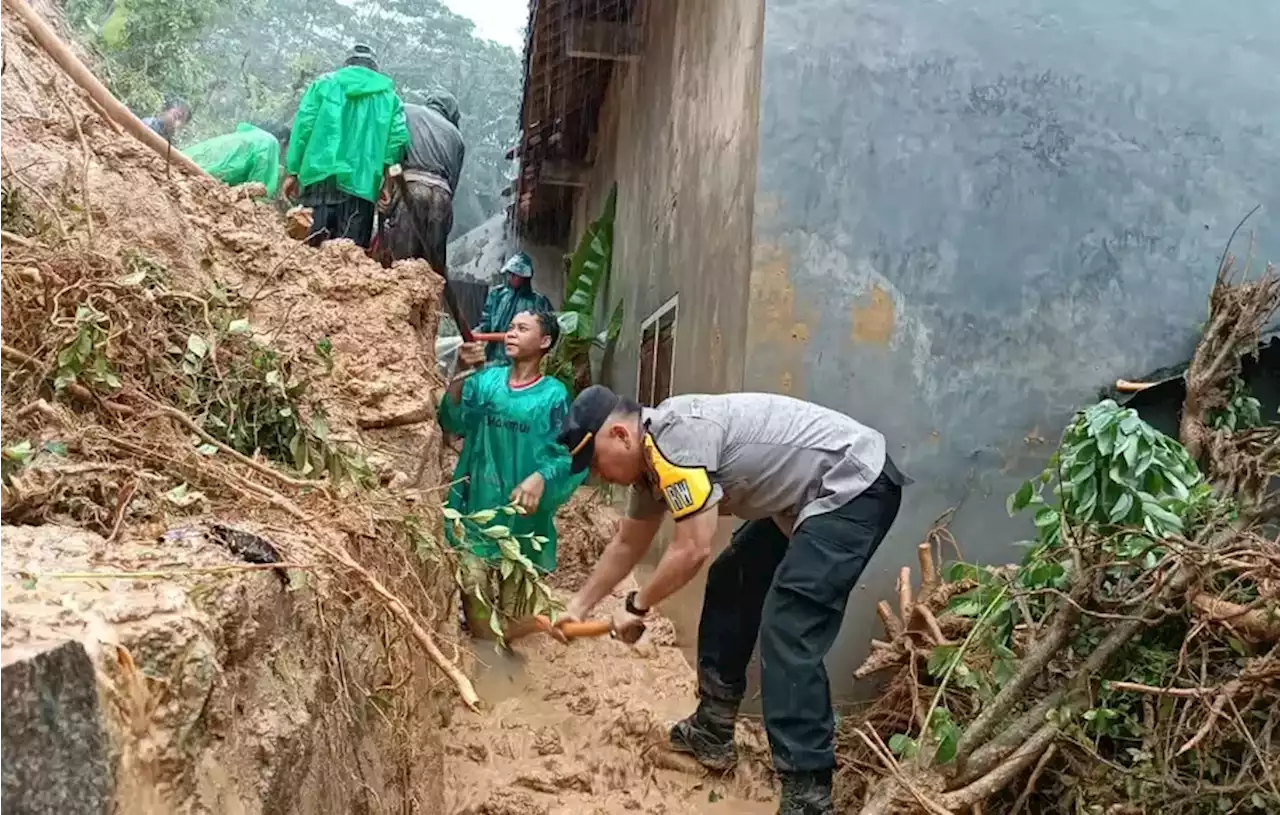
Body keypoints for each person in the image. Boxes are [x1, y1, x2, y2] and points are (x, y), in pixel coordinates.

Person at [554, 386, 907, 815]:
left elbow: (691, 548)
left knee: (789, 624)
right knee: (732, 579)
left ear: (621, 437)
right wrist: (578, 608)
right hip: (805, 499)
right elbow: (628, 542)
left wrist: (636, 606)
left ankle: (808, 791)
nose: (597, 476)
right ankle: (713, 729)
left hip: (853, 484)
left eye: (594, 464)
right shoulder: (650, 464)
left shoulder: (674, 443)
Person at [439, 310, 584, 626]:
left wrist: (541, 477)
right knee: (475, 597)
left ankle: (505, 661)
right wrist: (461, 372)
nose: (511, 334)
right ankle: (482, 654)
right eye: (510, 328)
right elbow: (451, 419)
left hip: (523, 524)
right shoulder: (486, 380)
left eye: (522, 328)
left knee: (512, 621)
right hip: (476, 511)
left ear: (544, 341)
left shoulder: (554, 395)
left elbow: (568, 456)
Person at [283, 44, 409, 248]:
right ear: (374, 68)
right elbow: (396, 143)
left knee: (306, 253)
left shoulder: (323, 85)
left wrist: (293, 171)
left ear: (347, 64)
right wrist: (386, 184)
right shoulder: (390, 98)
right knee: (348, 261)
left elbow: (303, 128)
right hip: (362, 187)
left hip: (319, 179)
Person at [385, 92, 466, 274]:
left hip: (411, 188)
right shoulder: (457, 136)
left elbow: (393, 147)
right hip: (442, 197)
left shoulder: (407, 111)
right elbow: (453, 182)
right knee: (432, 270)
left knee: (402, 263)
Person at [476, 253, 553, 364]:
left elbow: (546, 330)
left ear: (525, 277)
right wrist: (475, 335)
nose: (511, 277)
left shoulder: (538, 301)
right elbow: (486, 322)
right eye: (510, 273)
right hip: (495, 357)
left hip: (523, 358)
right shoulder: (497, 295)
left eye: (516, 274)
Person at [183, 122, 288, 197]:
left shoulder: (248, 136)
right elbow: (261, 187)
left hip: (184, 161)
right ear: (283, 142)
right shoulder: (269, 142)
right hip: (199, 177)